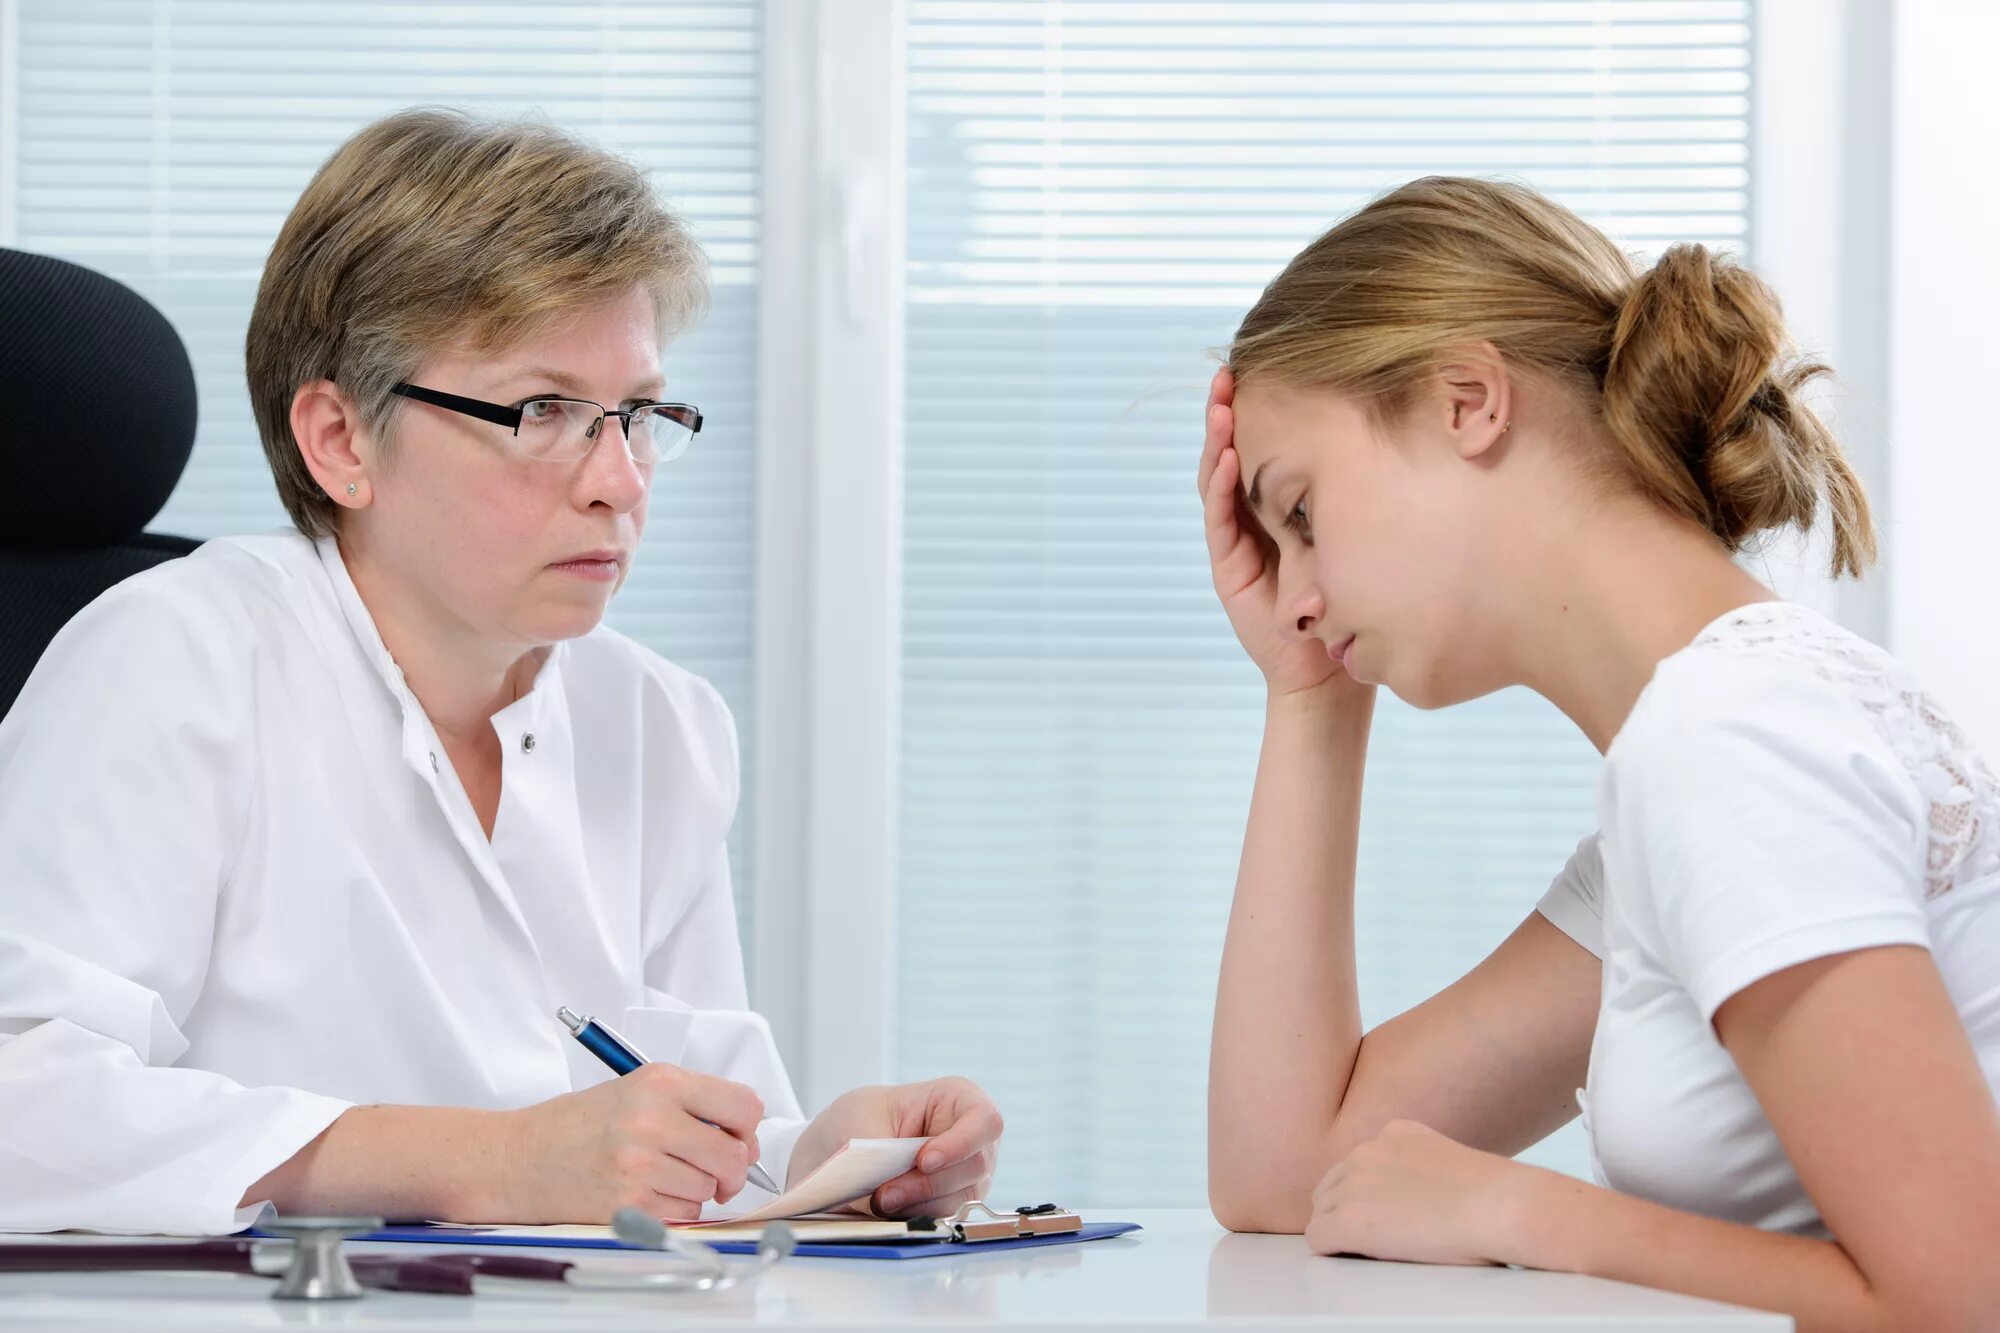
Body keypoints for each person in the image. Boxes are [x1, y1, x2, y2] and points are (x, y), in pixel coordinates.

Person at [0, 108, 1000, 1236]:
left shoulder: (658, 721)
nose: (618, 481)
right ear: (341, 440)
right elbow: (20, 1101)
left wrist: (811, 1156)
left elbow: (665, 1124)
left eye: (638, 416)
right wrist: (485, 1160)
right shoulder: (174, 659)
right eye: (546, 411)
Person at [1201, 177, 2000, 1328]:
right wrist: (1306, 693)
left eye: (1303, 516)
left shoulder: (1729, 744)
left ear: (1467, 399)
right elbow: (1289, 1174)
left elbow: (1962, 1301)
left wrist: (1521, 1215)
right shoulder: (1707, 750)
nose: (1297, 595)